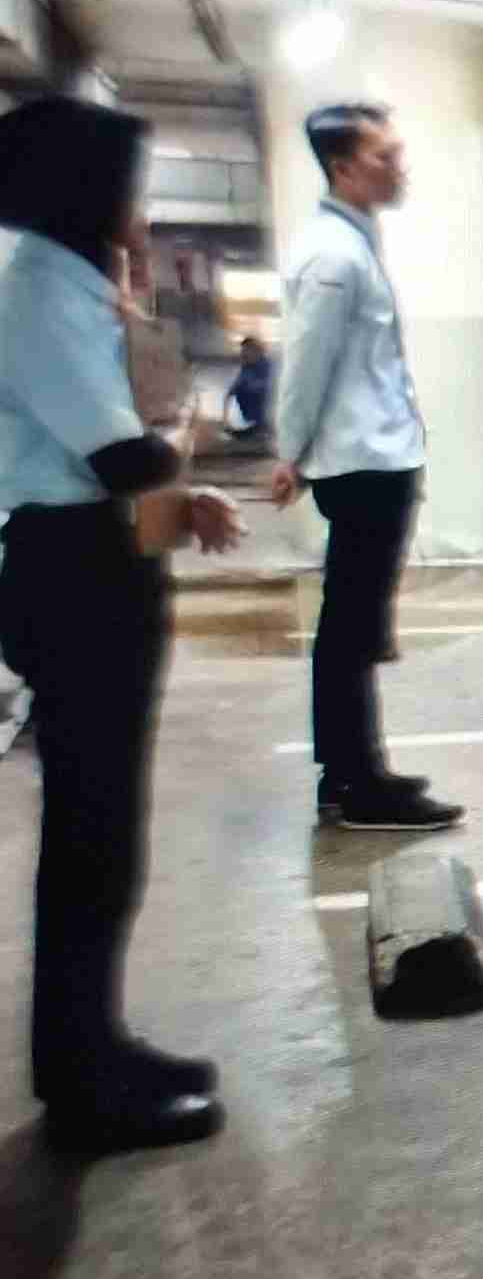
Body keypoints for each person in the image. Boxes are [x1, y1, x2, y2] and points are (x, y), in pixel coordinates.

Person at [0, 93, 245, 1153]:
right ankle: (81, 1080)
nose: (140, 208)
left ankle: (99, 1043)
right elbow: (120, 456)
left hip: (95, 559)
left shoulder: (73, 286)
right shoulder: (36, 293)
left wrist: (178, 480)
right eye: (128, 186)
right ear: (83, 188)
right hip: (72, 572)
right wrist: (185, 442)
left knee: (107, 833)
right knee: (92, 834)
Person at [270, 103, 463, 835]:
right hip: (362, 464)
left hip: (374, 457)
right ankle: (356, 785)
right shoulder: (334, 255)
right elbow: (307, 363)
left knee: (355, 625)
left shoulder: (351, 241)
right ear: (344, 166)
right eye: (385, 156)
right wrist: (289, 452)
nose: (398, 167)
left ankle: (354, 772)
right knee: (351, 628)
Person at [220, 331, 273, 444]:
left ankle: (260, 430)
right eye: (243, 351)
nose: (243, 354)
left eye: (246, 351)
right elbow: (229, 394)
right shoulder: (247, 369)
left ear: (257, 351)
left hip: (265, 420)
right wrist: (225, 420)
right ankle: (251, 430)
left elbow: (268, 389)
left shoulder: (268, 367)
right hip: (251, 422)